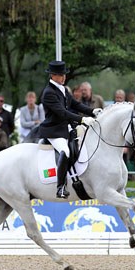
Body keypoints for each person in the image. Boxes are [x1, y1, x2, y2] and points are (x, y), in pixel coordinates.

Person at [39, 60, 101, 199]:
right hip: (54, 130)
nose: (64, 77)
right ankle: (60, 187)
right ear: (53, 75)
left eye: (64, 74)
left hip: (66, 128)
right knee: (65, 151)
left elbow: (75, 104)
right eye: (61, 75)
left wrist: (92, 111)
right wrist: (82, 120)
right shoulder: (48, 92)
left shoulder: (63, 89)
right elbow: (62, 112)